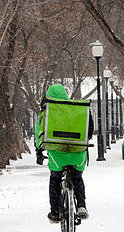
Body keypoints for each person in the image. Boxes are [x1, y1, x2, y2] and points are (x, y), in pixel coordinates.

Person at [34, 84, 94, 223]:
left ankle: (55, 212)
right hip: (77, 153)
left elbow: (39, 133)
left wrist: (39, 150)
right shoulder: (76, 109)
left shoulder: (46, 111)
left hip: (57, 155)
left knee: (55, 180)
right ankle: (81, 205)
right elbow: (89, 129)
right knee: (77, 178)